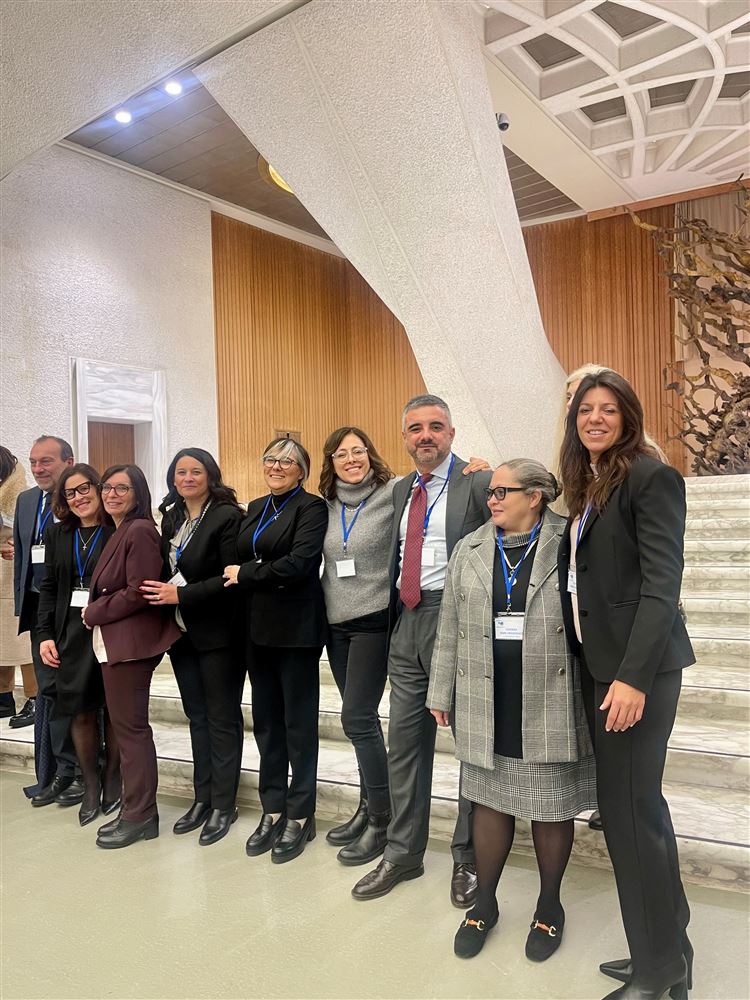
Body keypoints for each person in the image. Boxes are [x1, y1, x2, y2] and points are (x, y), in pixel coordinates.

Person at [558, 370, 695, 1000]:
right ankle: (671, 949)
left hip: (638, 675)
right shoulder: (591, 485)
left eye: (608, 409)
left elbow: (662, 587)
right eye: (586, 409)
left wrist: (633, 678)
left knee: (629, 817)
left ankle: (657, 968)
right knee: (637, 812)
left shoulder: (649, 477)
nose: (595, 418)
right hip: (605, 669)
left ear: (628, 418)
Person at [428, 460, 595, 961]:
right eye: (491, 491)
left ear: (536, 496)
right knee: (489, 801)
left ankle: (549, 905)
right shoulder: (471, 547)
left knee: (549, 805)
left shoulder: (569, 541)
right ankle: (485, 902)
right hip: (485, 695)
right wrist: (440, 691)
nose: (492, 499)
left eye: (503, 491)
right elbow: (450, 624)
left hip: (550, 694)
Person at [352, 394, 492, 905]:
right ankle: (403, 853)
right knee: (405, 744)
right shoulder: (399, 490)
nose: (425, 435)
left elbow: (538, 497)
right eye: (415, 428)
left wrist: (491, 470)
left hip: (458, 623)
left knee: (470, 745)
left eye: (435, 426)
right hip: (406, 622)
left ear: (452, 433)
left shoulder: (477, 481)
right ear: (405, 437)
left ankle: (468, 857)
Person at [223, 437, 327, 864]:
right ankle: (273, 808)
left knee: (298, 726)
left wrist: (248, 573)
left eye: (287, 461)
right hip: (256, 629)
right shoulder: (255, 507)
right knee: (266, 724)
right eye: (270, 459)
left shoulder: (311, 508)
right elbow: (238, 560)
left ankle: (301, 813)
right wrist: (254, 572)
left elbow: (300, 564)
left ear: (302, 470)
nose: (277, 467)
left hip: (296, 630)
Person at [141, 448, 244, 846]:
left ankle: (224, 803)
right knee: (197, 716)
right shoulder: (171, 517)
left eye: (195, 471)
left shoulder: (227, 516)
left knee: (221, 717)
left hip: (218, 633)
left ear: (210, 475)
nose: (187, 478)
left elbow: (230, 578)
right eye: (181, 472)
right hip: (182, 633)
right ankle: (203, 798)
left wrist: (181, 596)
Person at [83, 464, 181, 849]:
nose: (111, 494)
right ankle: (136, 810)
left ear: (138, 494)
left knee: (131, 732)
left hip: (130, 646)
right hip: (117, 643)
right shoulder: (121, 529)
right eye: (107, 487)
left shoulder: (139, 530)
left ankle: (140, 815)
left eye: (121, 488)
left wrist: (94, 611)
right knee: (128, 731)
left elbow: (140, 590)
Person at [318, 427, 395, 865]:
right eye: (342, 454)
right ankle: (368, 807)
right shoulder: (326, 505)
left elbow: (438, 487)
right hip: (336, 623)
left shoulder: (393, 493)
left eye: (358, 451)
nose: (351, 459)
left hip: (373, 620)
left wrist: (474, 469)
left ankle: (383, 821)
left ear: (370, 454)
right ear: (331, 462)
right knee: (361, 722)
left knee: (357, 717)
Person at [36, 464, 119, 826]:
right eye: (70, 493)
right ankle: (90, 784)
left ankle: (113, 778)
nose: (79, 498)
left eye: (84, 489)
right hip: (70, 630)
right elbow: (49, 586)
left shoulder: (117, 529)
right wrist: (44, 634)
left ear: (98, 488)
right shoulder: (58, 534)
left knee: (115, 709)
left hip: (112, 627)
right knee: (80, 710)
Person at [9, 436, 79, 804]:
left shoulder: (83, 497)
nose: (38, 469)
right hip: (39, 609)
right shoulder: (25, 501)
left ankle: (81, 771)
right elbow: (22, 556)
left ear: (69, 461)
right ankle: (56, 771)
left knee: (73, 691)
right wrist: (21, 605)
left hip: (75, 610)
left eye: (46, 461)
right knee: (49, 689)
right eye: (34, 462)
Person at [0, 446, 37, 728]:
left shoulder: (19, 494)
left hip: (14, 571)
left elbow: (25, 533)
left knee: (22, 639)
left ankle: (35, 699)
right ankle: (4, 697)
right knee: (2, 639)